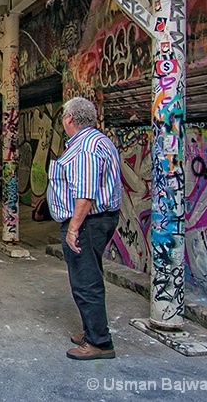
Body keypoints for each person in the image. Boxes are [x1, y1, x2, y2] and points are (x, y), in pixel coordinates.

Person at [46, 96, 121, 360]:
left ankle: (99, 342)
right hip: (98, 220)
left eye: (63, 116)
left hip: (88, 222)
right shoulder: (99, 140)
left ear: (69, 119)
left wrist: (73, 228)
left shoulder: (84, 148)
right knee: (90, 275)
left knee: (85, 281)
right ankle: (92, 329)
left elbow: (86, 193)